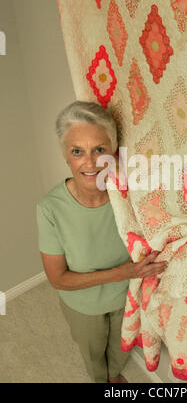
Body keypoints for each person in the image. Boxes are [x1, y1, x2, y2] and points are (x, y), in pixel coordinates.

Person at [36, 100, 168, 383]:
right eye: (77, 151)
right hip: (83, 305)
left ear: (113, 151)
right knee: (93, 355)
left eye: (99, 149)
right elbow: (58, 279)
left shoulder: (129, 194)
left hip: (128, 297)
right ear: (66, 155)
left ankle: (113, 376)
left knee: (122, 347)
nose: (91, 162)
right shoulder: (49, 208)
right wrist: (122, 272)